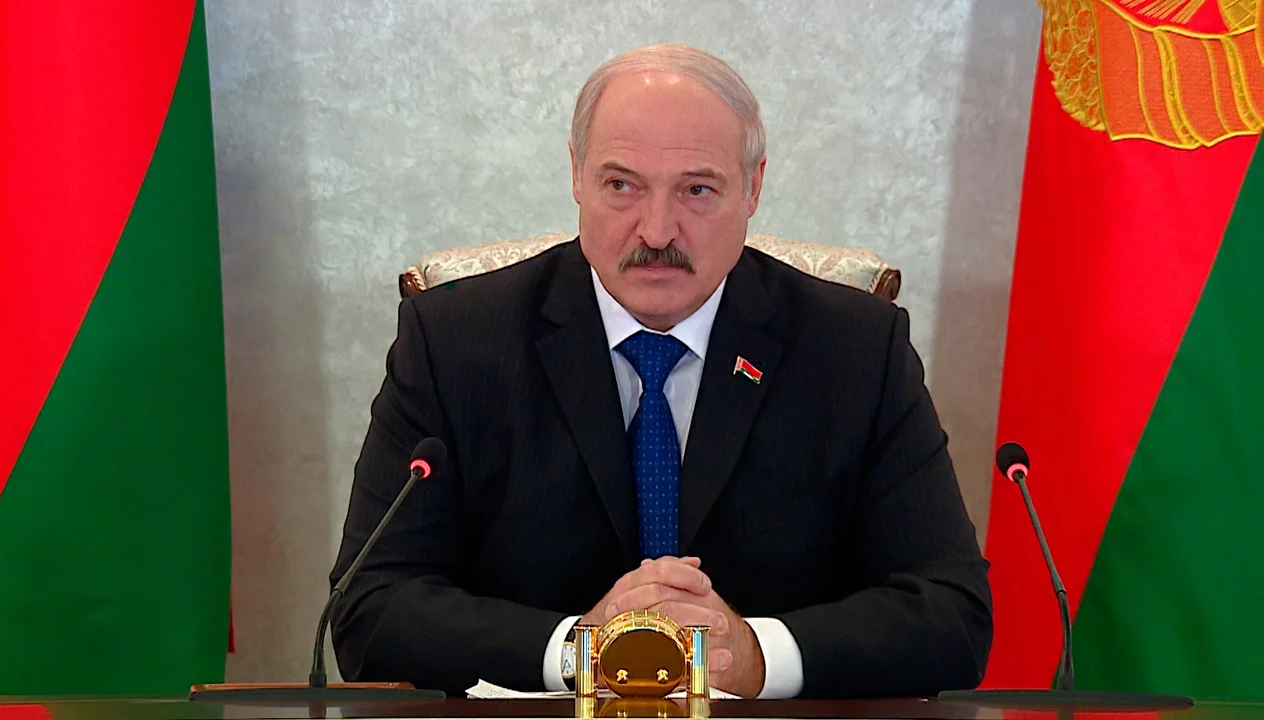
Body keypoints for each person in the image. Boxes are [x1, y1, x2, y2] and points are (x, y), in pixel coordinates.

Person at [328, 43, 992, 699]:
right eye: (622, 185)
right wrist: (581, 650)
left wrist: (754, 656)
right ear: (577, 175)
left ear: (753, 187)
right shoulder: (455, 341)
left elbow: (952, 614)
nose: (656, 231)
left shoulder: (856, 348)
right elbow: (371, 607)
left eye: (697, 190)